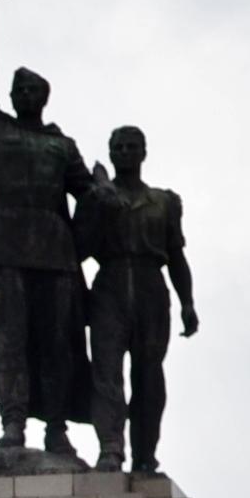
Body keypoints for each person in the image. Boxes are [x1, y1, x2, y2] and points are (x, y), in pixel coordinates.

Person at [0, 0, 93, 461]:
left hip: (56, 254)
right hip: (6, 247)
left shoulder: (61, 144)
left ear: (44, 97)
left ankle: (56, 427)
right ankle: (12, 423)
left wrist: (93, 216)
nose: (25, 96)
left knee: (58, 345)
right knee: (10, 343)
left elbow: (90, 195)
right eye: (20, 90)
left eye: (34, 90)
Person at [79, 124, 197, 475]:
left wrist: (187, 301)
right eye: (120, 147)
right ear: (111, 153)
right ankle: (111, 449)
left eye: (133, 147)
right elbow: (79, 247)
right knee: (106, 373)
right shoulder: (97, 197)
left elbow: (176, 256)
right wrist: (97, 204)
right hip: (109, 285)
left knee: (149, 374)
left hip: (151, 287)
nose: (126, 153)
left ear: (144, 152)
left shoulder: (163, 201)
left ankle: (145, 453)